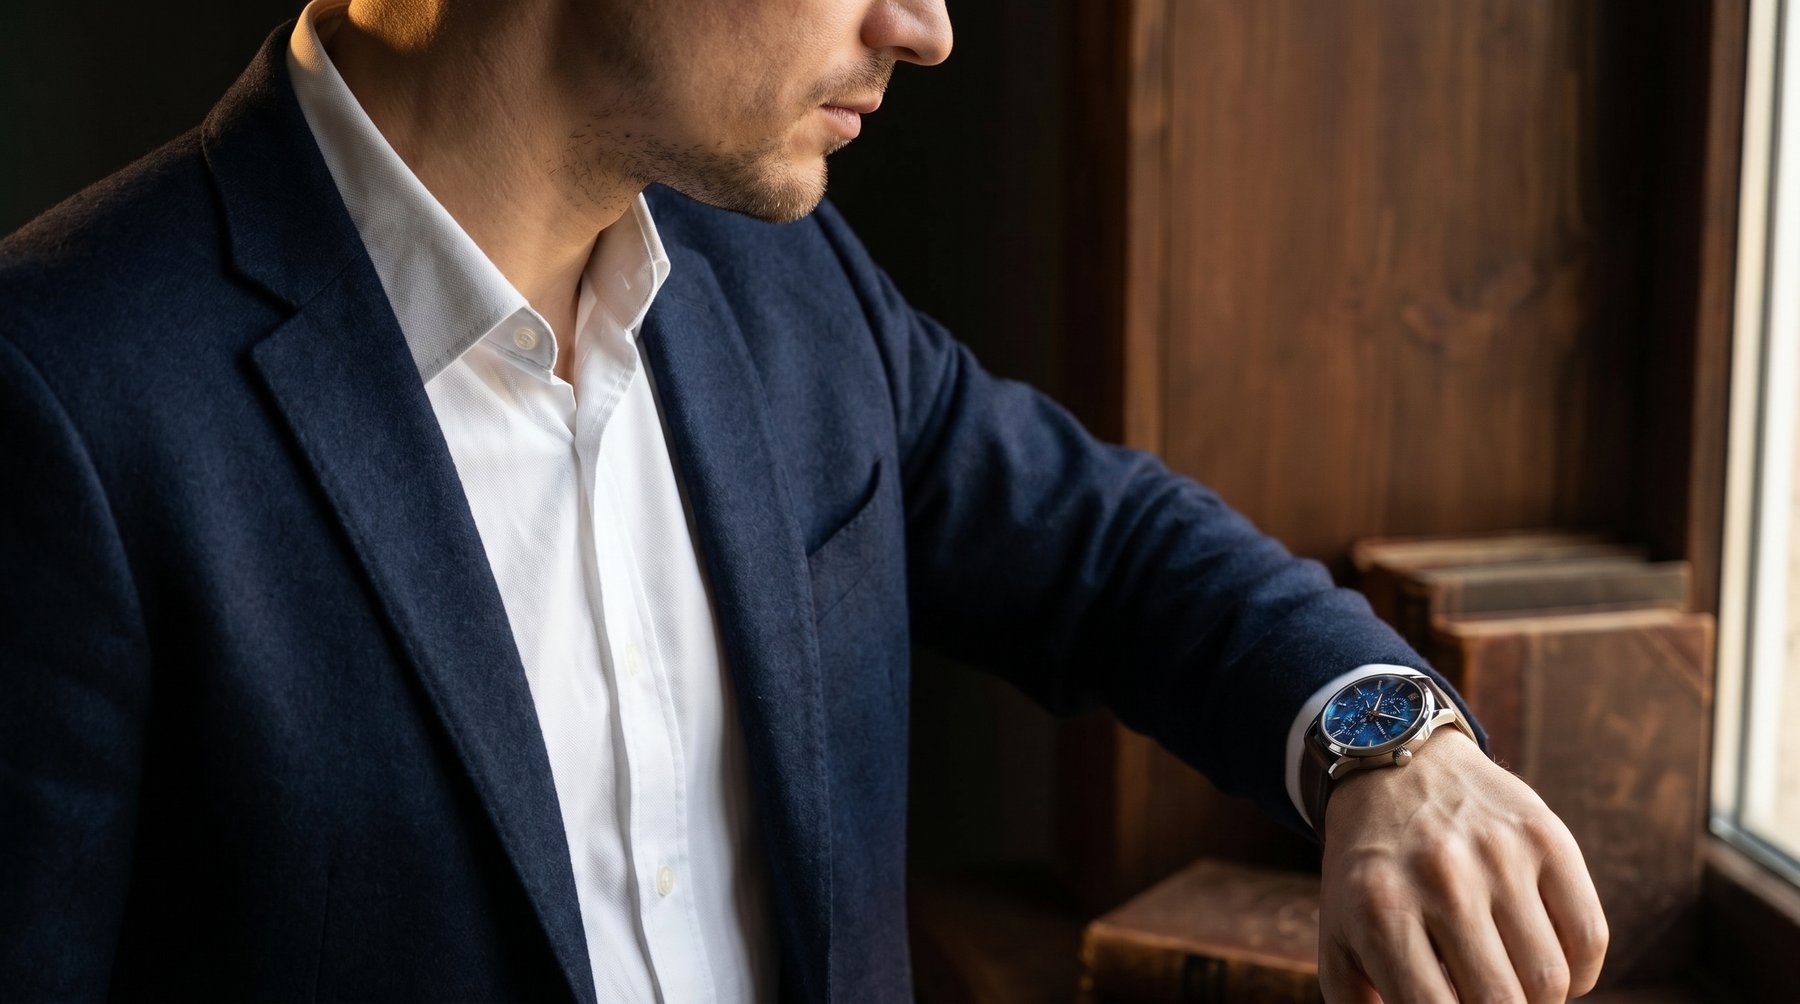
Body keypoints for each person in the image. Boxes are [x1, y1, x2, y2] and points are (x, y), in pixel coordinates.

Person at [0, 0, 1607, 1001]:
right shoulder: (59, 400)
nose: (926, 23)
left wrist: (1387, 745)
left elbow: (1104, 550)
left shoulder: (783, 279)